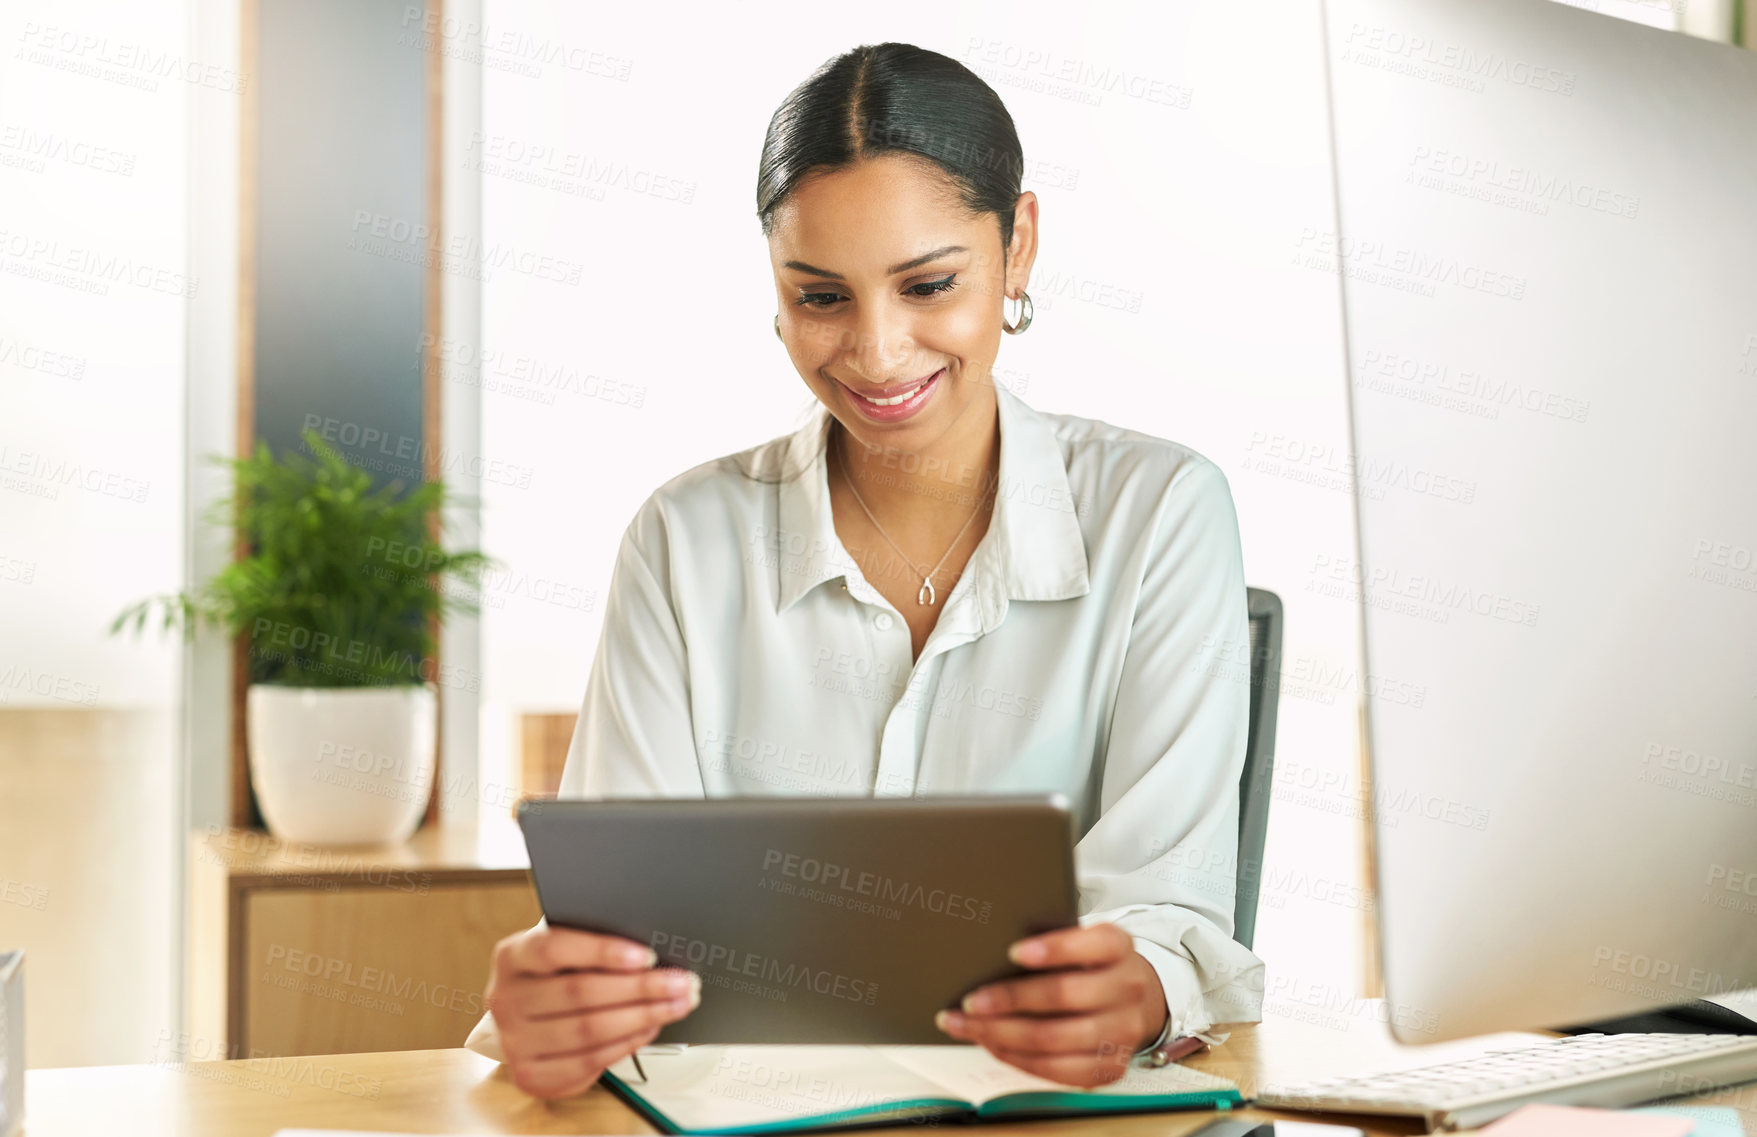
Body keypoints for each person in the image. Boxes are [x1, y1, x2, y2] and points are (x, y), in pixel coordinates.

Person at [466, 41, 1265, 1102]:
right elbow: (616, 937)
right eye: (820, 297)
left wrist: (1143, 984)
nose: (878, 353)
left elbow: (1169, 912)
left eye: (929, 284)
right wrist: (560, 1003)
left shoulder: (1159, 512)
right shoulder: (684, 541)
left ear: (1016, 245)